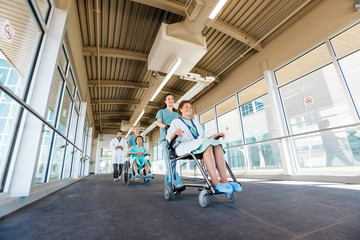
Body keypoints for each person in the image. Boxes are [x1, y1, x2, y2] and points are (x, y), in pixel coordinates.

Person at [166, 100, 242, 194]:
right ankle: (216, 183)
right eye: (186, 107)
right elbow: (170, 138)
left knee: (217, 144)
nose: (189, 109)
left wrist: (214, 135)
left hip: (198, 144)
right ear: (180, 109)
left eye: (190, 107)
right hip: (184, 145)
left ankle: (225, 181)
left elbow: (203, 137)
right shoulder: (176, 121)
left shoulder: (195, 122)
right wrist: (175, 133)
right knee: (208, 145)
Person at [156, 93, 182, 187]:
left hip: (176, 139)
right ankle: (176, 182)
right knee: (168, 160)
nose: (171, 100)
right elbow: (158, 122)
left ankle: (168, 184)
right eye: (168, 99)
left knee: (174, 160)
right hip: (165, 139)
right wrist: (166, 126)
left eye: (172, 99)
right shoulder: (161, 112)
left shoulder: (177, 114)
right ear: (165, 101)